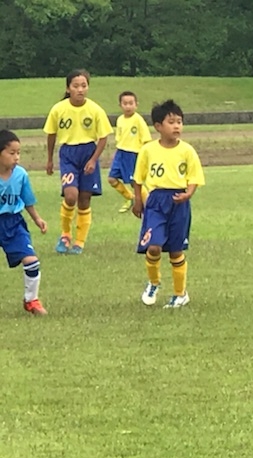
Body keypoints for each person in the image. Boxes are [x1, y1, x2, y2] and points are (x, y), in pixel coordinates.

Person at [132, 99, 204, 308]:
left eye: (180, 122)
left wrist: (188, 194)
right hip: (155, 201)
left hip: (178, 203)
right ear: (158, 126)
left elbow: (194, 177)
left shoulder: (187, 151)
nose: (177, 126)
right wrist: (138, 201)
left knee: (175, 250)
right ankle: (154, 283)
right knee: (153, 247)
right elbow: (138, 178)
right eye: (171, 122)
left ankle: (180, 294)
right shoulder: (148, 150)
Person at [44, 69, 112, 255]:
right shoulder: (59, 109)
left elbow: (104, 137)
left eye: (84, 85)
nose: (80, 89)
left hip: (88, 152)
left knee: (84, 199)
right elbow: (51, 134)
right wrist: (49, 159)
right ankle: (65, 235)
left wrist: (93, 160)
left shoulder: (95, 109)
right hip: (68, 154)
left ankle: (79, 242)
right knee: (71, 196)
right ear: (68, 88)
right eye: (76, 86)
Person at [0, 130, 48, 315]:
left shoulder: (20, 175)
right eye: (11, 153)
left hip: (13, 223)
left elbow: (27, 200)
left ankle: (31, 300)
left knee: (31, 261)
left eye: (18, 153)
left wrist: (37, 219)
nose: (16, 157)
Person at [108, 91, 152, 213]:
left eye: (131, 103)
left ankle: (150, 204)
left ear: (136, 105)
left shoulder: (138, 120)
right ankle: (130, 198)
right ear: (120, 105)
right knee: (111, 179)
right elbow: (120, 138)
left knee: (135, 182)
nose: (128, 106)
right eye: (125, 103)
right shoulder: (120, 119)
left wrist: (145, 156)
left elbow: (146, 139)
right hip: (121, 153)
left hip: (133, 154)